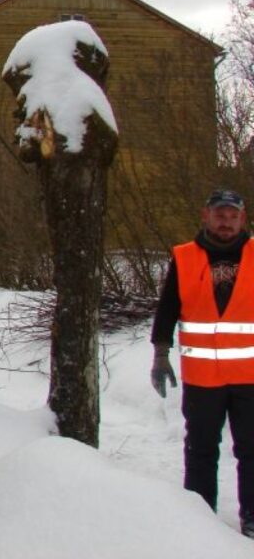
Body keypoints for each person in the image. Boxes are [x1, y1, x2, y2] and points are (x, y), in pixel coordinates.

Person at [150, 187, 254, 538]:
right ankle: (200, 519)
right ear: (205, 215)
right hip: (202, 378)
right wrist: (160, 355)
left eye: (233, 216)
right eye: (220, 214)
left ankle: (252, 519)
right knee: (201, 449)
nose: (226, 222)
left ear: (243, 219)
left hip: (250, 376)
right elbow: (167, 309)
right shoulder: (185, 257)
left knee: (252, 449)